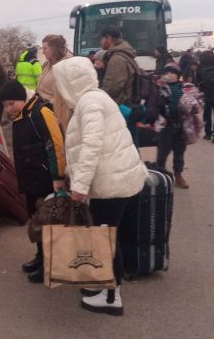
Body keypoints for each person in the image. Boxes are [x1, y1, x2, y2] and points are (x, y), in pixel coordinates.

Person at [53, 56, 147, 316]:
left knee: (105, 238)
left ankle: (111, 297)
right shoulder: (94, 98)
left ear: (70, 83)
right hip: (115, 179)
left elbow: (91, 145)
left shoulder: (89, 103)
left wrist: (80, 185)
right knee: (106, 235)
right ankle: (104, 286)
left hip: (111, 183)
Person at [0, 80, 65, 282]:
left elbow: (55, 144)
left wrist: (58, 175)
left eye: (11, 103)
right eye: (6, 105)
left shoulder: (40, 112)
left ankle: (50, 263)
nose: (8, 108)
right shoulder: (22, 115)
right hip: (30, 178)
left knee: (47, 221)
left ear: (21, 98)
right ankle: (41, 255)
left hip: (45, 179)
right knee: (36, 220)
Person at [155, 65, 192, 188]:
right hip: (166, 125)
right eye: (167, 73)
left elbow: (194, 105)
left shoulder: (185, 88)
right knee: (162, 152)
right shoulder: (159, 88)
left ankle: (178, 175)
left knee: (179, 152)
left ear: (178, 75)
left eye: (172, 73)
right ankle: (160, 175)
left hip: (181, 125)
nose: (169, 75)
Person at [36, 34, 71, 133]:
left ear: (54, 48)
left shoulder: (67, 65)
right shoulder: (47, 64)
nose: (42, 52)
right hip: (46, 112)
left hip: (59, 114)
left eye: (45, 48)